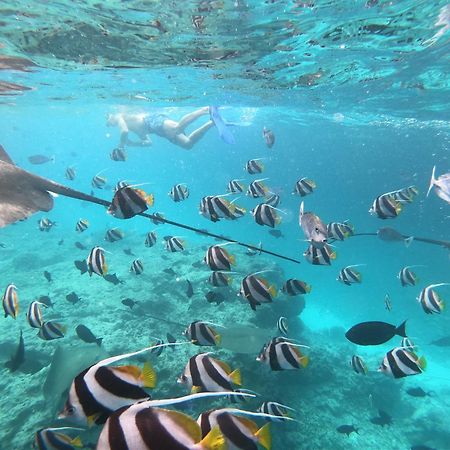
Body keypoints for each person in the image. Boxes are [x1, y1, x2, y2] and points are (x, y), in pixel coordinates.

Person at [106, 107, 214, 150]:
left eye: (108, 121)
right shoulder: (134, 128)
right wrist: (133, 143)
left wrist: (121, 144)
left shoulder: (119, 116)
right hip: (157, 129)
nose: (109, 124)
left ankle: (205, 109)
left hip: (152, 120)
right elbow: (148, 142)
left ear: (111, 115)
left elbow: (124, 131)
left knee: (178, 128)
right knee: (187, 144)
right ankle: (211, 122)